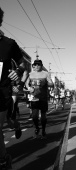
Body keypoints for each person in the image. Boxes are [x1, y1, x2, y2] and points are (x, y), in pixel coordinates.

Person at [0, 7, 26, 169]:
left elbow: (23, 63)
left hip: (2, 92)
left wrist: (17, 71)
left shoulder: (9, 44)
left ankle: (3, 160)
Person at [26, 59, 54, 139]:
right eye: (36, 65)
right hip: (34, 97)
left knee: (43, 116)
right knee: (34, 116)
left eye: (39, 65)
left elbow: (50, 83)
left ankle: (43, 131)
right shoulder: (30, 74)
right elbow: (27, 84)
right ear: (34, 66)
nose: (37, 66)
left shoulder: (45, 74)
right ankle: (37, 128)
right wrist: (29, 88)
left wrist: (50, 83)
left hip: (43, 98)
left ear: (41, 66)